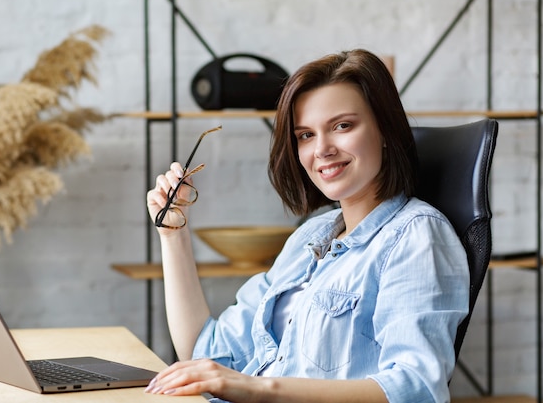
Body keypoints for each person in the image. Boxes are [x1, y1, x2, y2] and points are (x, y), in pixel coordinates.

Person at [145, 49, 469, 403]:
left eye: (342, 126)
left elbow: (415, 388)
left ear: (385, 130)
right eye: (305, 135)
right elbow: (204, 354)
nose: (322, 149)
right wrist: (173, 234)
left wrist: (256, 388)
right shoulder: (310, 237)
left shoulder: (417, 235)